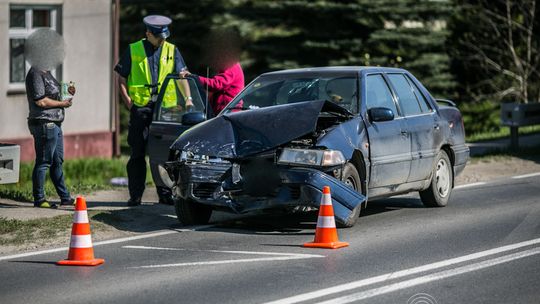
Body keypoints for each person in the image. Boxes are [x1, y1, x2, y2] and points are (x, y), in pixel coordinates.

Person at [114, 15, 192, 206]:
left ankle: (165, 193)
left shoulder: (172, 49)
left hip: (165, 109)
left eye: (165, 36)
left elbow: (182, 76)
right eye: (159, 37)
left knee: (163, 154)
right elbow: (121, 78)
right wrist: (128, 102)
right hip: (141, 108)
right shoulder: (133, 49)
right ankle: (136, 195)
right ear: (148, 33)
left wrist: (188, 99)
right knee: (137, 153)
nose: (163, 40)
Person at [24, 28, 75, 208]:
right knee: (44, 162)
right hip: (45, 123)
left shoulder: (46, 72)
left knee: (57, 161)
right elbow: (41, 101)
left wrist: (65, 92)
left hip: (55, 123)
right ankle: (39, 199)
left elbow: (52, 95)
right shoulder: (35, 73)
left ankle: (64, 197)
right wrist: (62, 104)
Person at [181, 29, 244, 116]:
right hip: (224, 111)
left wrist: (195, 78)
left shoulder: (231, 64)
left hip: (228, 113)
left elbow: (217, 84)